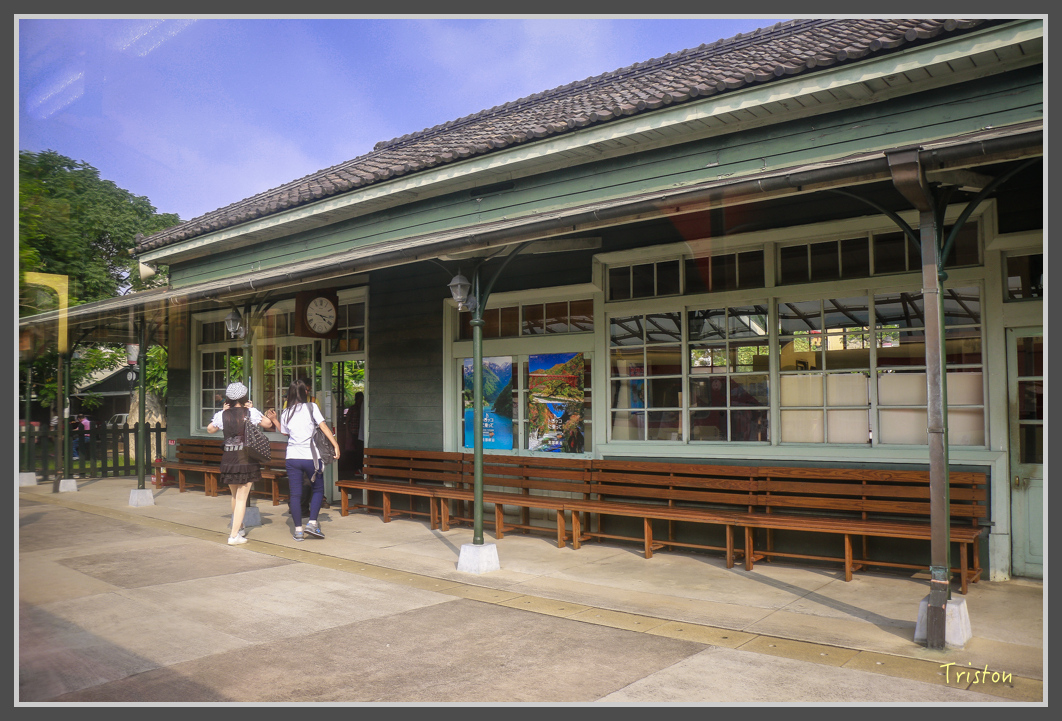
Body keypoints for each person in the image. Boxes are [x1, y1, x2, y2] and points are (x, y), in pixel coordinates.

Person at [270, 379, 340, 541]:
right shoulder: (311, 407)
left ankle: (298, 531)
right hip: (311, 457)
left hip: (292, 457)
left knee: (295, 494)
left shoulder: (286, 412)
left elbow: (285, 433)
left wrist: (275, 420)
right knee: (317, 489)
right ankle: (312, 523)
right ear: (304, 393)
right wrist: (335, 445)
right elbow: (323, 427)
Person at [206, 381, 275, 546]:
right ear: (244, 397)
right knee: (242, 498)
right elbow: (268, 424)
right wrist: (251, 407)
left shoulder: (223, 414)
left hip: (228, 457)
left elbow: (210, 429)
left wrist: (223, 411)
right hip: (245, 458)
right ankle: (234, 535)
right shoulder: (250, 412)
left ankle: (240, 526)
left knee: (235, 495)